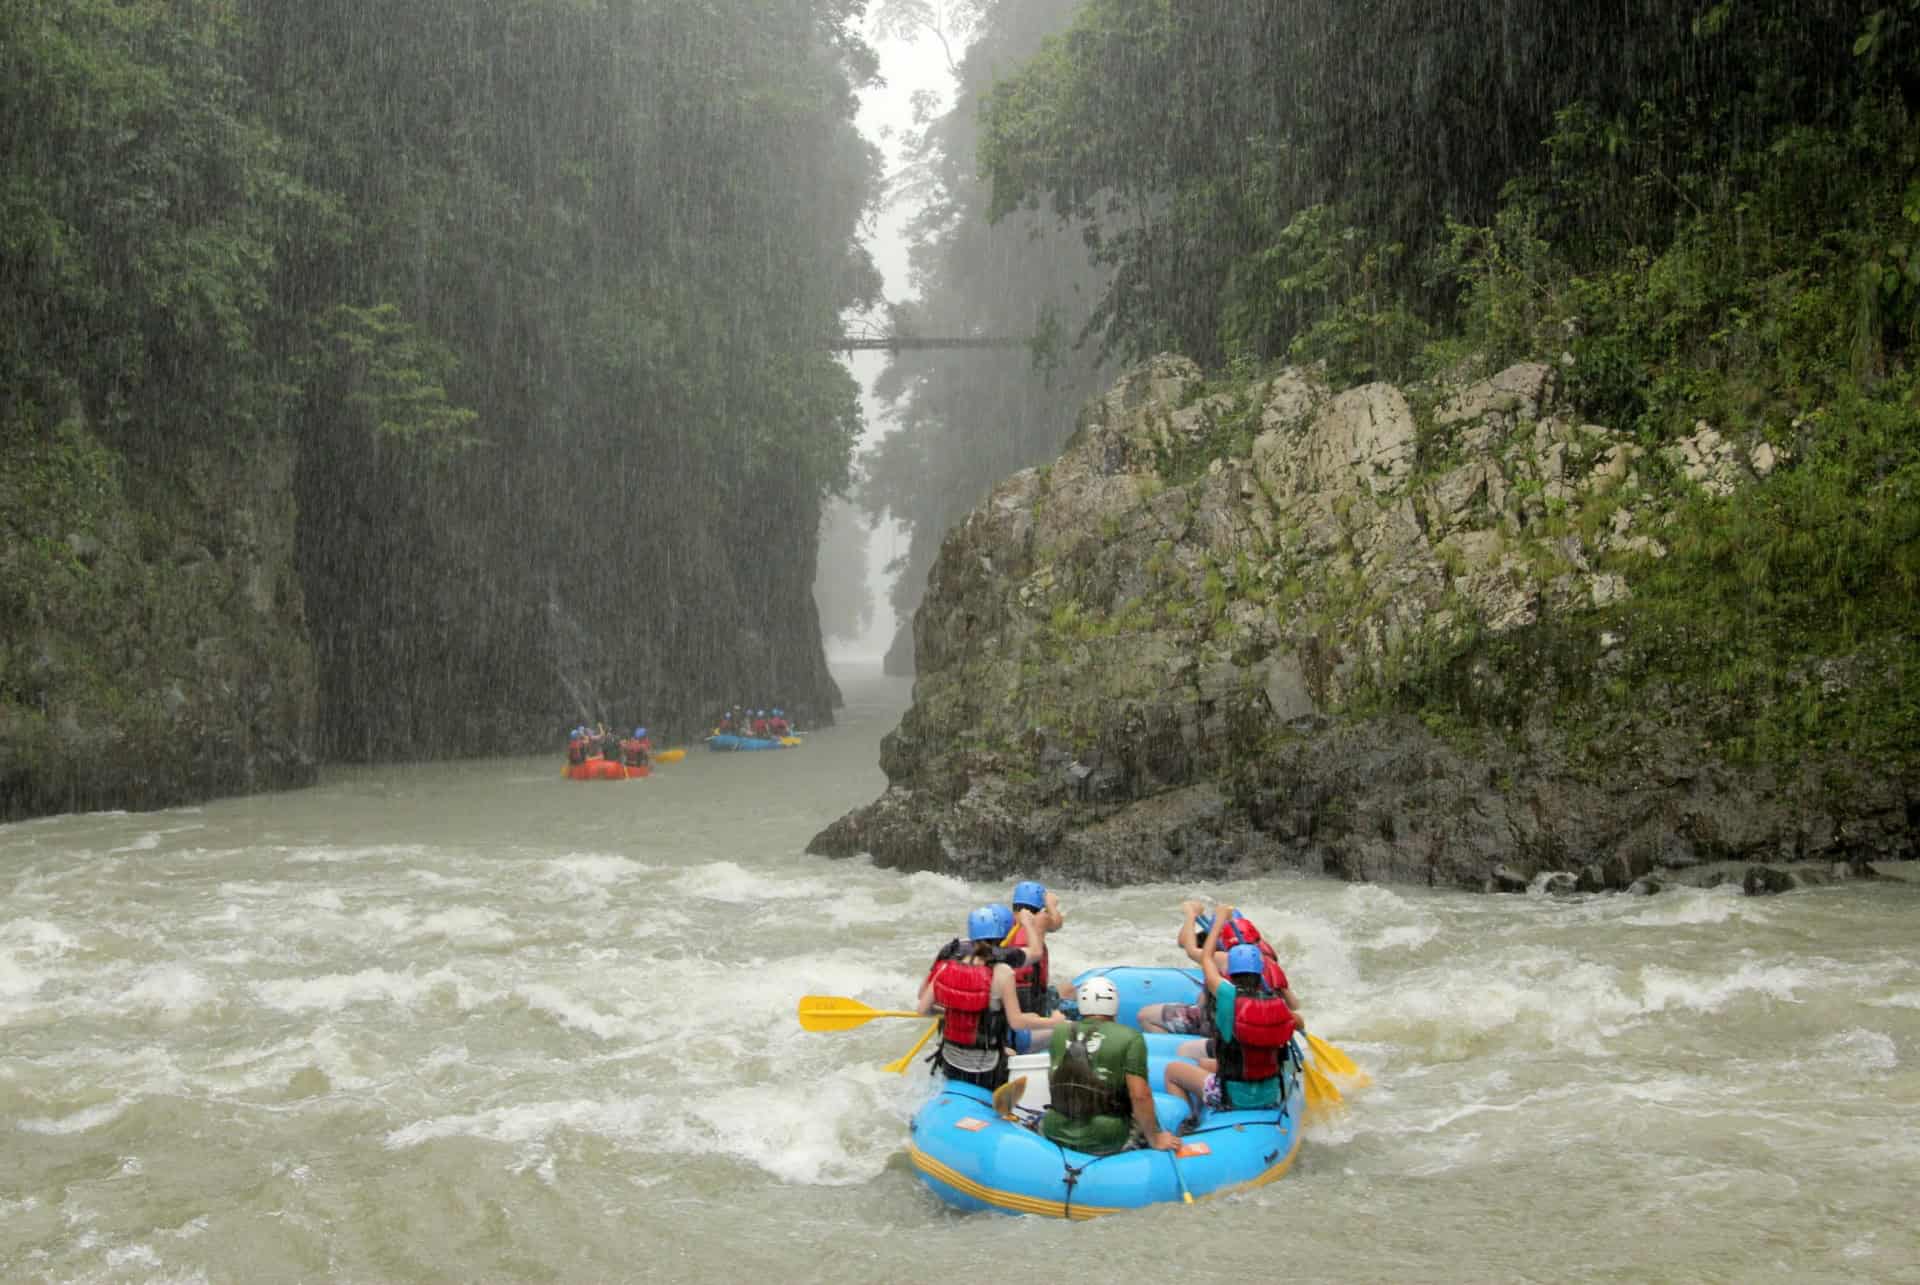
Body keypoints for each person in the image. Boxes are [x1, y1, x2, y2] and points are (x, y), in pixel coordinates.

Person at [1163, 910, 1297, 1121]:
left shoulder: (1227, 995)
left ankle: (1188, 1122)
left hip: (1233, 1096)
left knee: (1173, 1070)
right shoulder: (1279, 1005)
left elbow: (1206, 957)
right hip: (1270, 1092)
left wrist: (1218, 921)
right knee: (1205, 1065)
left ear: (1231, 971)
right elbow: (1298, 1020)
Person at [918, 906, 1066, 1089]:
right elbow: (1017, 1022)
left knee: (1015, 1038)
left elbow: (923, 1009)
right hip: (987, 1070)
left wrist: (955, 1010)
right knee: (1058, 1032)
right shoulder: (1002, 972)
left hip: (949, 1062)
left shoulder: (945, 967)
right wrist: (1054, 1022)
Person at [1040, 977, 1178, 1155]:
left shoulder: (1059, 1032)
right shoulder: (1131, 1037)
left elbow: (1054, 1078)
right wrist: (1155, 1138)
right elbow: (1140, 1095)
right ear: (1114, 1005)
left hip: (1055, 1128)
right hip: (1106, 1135)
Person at [1140, 901, 1302, 1034]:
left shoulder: (1222, 958)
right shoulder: (1267, 959)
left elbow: (1187, 946)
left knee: (1145, 1015)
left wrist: (1191, 915)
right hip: (1252, 1023)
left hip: (1218, 1024)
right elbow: (1294, 1005)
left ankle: (1173, 1049)